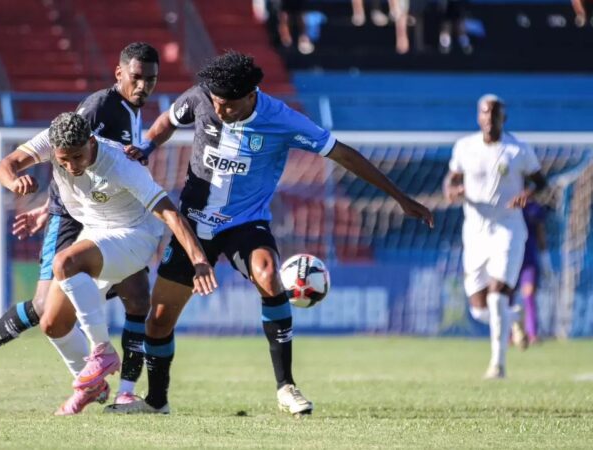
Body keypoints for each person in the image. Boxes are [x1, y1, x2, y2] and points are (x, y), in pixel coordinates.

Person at [109, 52, 433, 415]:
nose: (220, 111)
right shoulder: (202, 97)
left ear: (251, 95)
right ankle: (157, 401)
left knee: (268, 275)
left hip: (244, 223)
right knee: (158, 320)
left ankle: (286, 387)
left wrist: (400, 197)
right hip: (193, 224)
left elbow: (343, 155)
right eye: (216, 103)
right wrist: (148, 145)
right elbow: (168, 120)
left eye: (228, 105)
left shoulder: (281, 119)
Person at [0, 42, 161, 411]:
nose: (143, 85)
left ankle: (124, 391)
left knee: (137, 294)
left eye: (150, 79)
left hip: (106, 216)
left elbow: (91, 169)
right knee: (45, 308)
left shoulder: (130, 109)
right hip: (73, 215)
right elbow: (69, 152)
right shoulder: (99, 108)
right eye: (137, 77)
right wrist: (50, 208)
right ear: (119, 73)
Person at [0, 112, 217, 415]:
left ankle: (102, 351)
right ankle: (92, 387)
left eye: (77, 157)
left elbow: (169, 213)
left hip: (135, 235)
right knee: (52, 323)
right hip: (95, 232)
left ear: (91, 142)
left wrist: (199, 260)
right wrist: (13, 181)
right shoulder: (51, 140)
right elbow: (4, 166)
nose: (71, 166)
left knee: (65, 262)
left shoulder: (120, 164)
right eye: (63, 160)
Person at [444, 94, 546, 379]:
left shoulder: (518, 150)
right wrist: (451, 191)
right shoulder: (465, 147)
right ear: (478, 116)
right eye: (485, 112)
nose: (489, 117)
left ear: (504, 117)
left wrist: (527, 194)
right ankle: (514, 318)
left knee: (498, 293)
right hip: (475, 232)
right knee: (479, 309)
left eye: (495, 113)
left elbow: (541, 182)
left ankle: (497, 365)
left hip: (508, 228)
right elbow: (451, 178)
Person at [518, 200, 550, 345]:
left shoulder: (534, 209)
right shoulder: (506, 202)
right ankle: (509, 334)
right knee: (506, 295)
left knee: (529, 293)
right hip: (509, 257)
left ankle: (532, 333)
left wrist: (544, 258)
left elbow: (540, 233)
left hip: (529, 259)